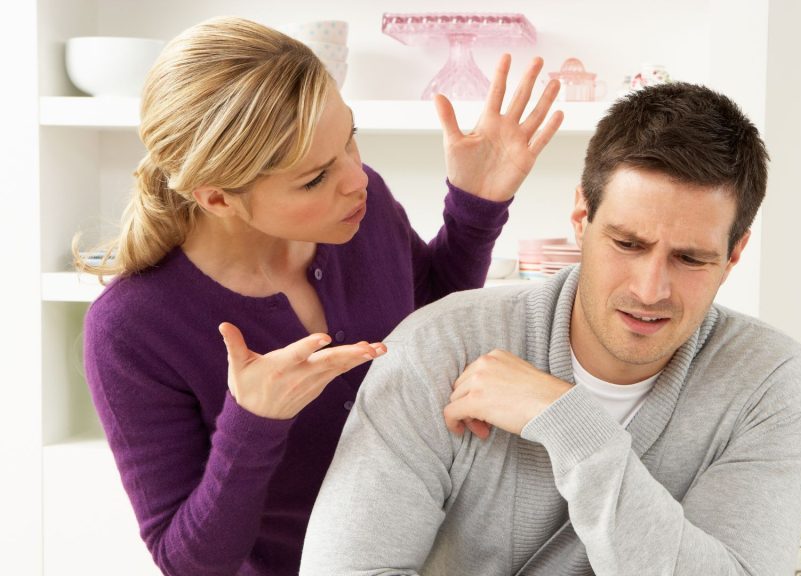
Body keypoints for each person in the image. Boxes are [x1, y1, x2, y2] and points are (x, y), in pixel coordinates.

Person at [79, 16, 563, 576]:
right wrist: (253, 422)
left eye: (350, 139)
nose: (355, 178)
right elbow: (190, 563)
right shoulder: (131, 329)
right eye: (314, 178)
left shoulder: (364, 208)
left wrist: (475, 207)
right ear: (216, 199)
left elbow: (426, 317)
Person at [300, 82, 801, 575]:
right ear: (580, 215)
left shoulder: (771, 381)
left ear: (734, 254)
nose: (650, 290)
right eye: (628, 243)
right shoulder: (437, 347)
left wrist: (573, 428)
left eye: (690, 258)